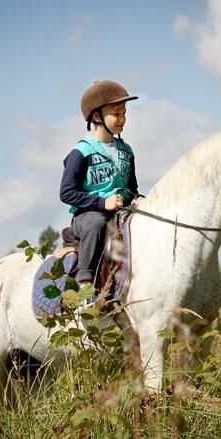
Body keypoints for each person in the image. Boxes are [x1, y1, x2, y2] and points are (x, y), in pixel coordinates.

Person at [59, 80, 142, 288]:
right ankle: (84, 281)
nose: (123, 119)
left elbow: (132, 187)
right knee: (96, 223)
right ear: (97, 116)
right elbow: (66, 193)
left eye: (124, 113)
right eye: (117, 113)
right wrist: (102, 203)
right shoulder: (81, 152)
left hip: (119, 212)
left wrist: (136, 199)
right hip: (87, 215)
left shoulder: (127, 151)